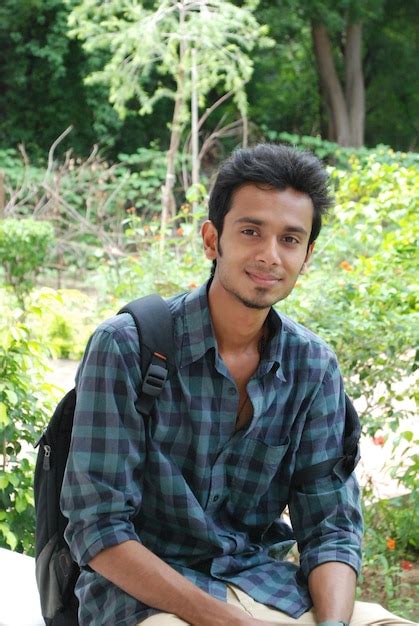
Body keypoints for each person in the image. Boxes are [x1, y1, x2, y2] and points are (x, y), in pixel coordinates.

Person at [61, 144, 413, 626]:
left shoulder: (312, 366)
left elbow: (330, 527)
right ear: (212, 239)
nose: (270, 255)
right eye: (251, 231)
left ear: (307, 256)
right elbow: (97, 528)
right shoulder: (127, 347)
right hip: (146, 598)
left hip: (264, 586)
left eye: (290, 240)